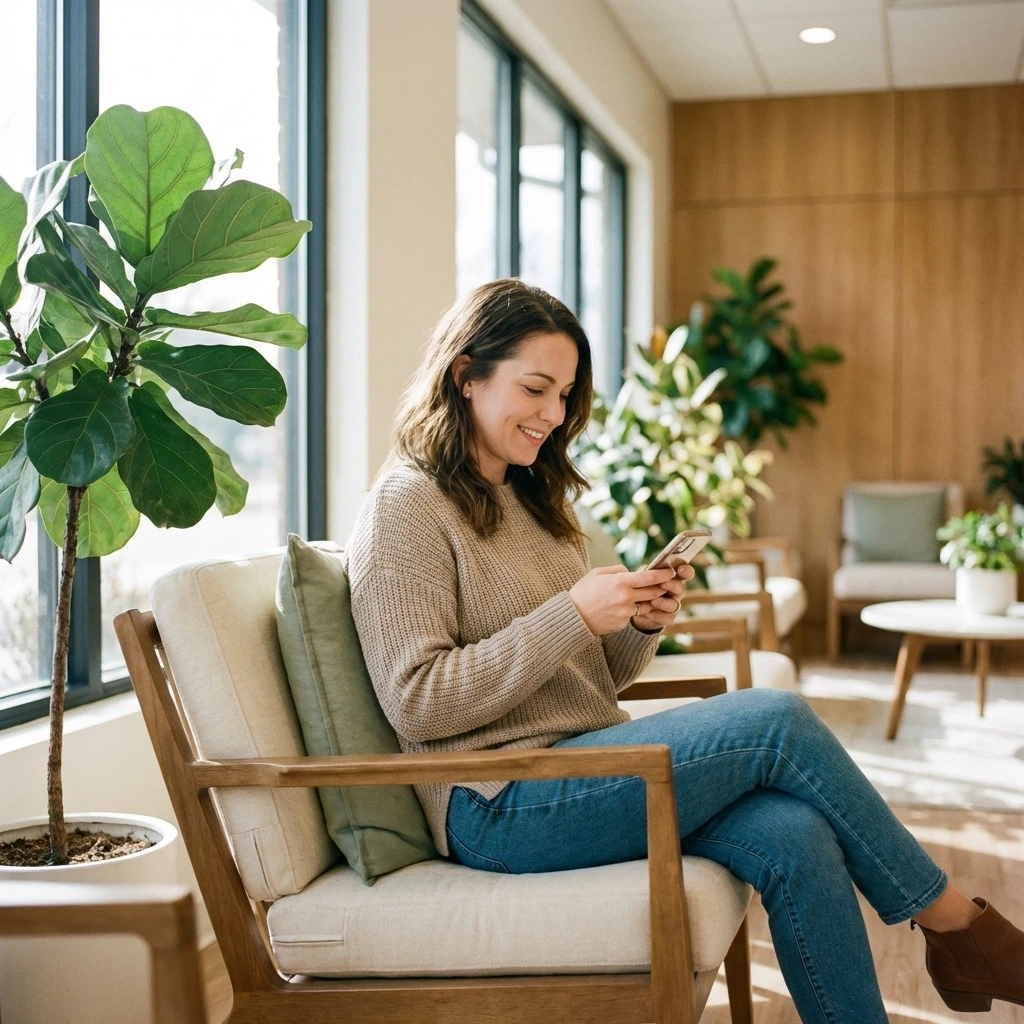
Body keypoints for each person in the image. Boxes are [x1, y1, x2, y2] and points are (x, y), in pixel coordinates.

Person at [347, 279, 1024, 1023]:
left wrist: (637, 624)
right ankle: (958, 928)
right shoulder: (406, 506)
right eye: (535, 389)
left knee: (795, 835)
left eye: (565, 395)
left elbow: (591, 685)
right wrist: (572, 615)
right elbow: (418, 701)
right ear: (465, 375)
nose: (553, 415)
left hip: (585, 768)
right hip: (495, 802)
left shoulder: (535, 500)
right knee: (776, 719)